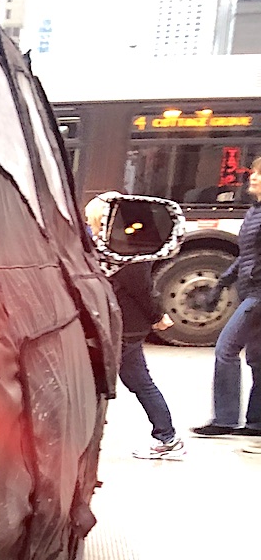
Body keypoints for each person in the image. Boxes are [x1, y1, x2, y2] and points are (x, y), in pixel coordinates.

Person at [86, 195, 185, 459]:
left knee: (99, 383)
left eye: (92, 219)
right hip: (121, 326)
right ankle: (168, 436)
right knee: (137, 381)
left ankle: (167, 437)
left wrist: (158, 317)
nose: (89, 224)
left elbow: (143, 291)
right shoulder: (106, 247)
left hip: (124, 328)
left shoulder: (128, 252)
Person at [191, 159, 261, 439]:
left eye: (259, 174)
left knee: (226, 350)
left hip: (257, 296)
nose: (252, 177)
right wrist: (221, 284)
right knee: (257, 359)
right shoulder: (254, 211)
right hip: (251, 292)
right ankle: (256, 422)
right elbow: (246, 256)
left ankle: (225, 419)